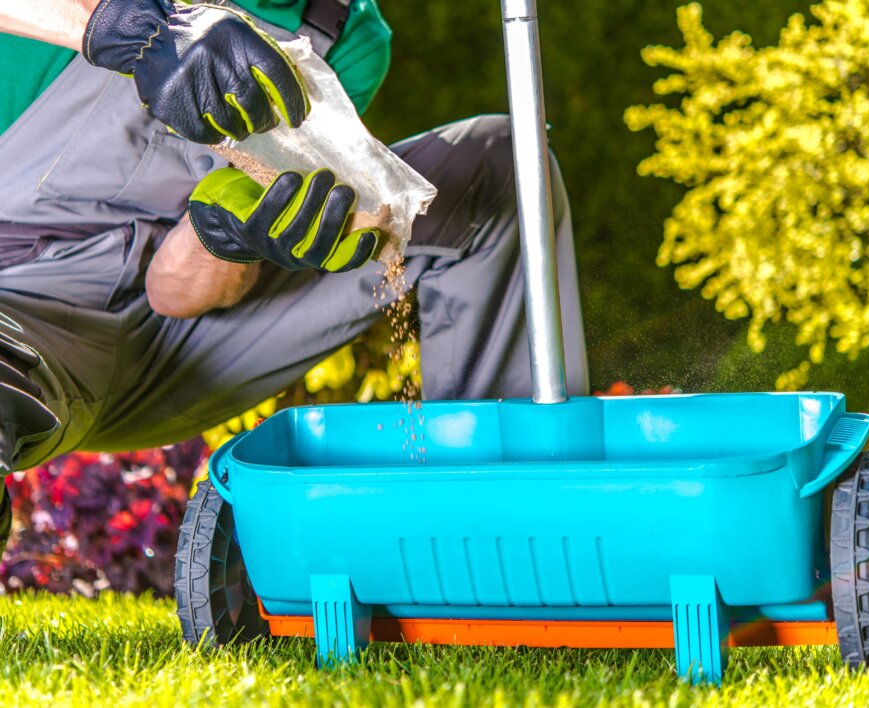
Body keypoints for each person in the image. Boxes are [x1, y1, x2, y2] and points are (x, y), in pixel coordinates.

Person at [0, 0, 589, 549]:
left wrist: (223, 237)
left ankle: (496, 526)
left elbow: (172, 290)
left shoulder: (345, 33)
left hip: (168, 345)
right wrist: (123, 26)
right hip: (16, 302)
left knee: (494, 168)